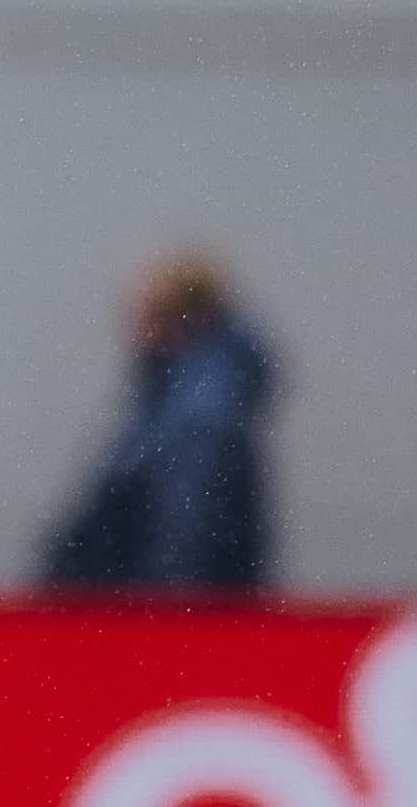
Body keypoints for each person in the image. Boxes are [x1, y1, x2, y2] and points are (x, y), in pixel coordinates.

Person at [37, 249, 279, 596]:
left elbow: (186, 532)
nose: (130, 328)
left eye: (142, 313)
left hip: (150, 620)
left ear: (174, 317)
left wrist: (163, 623)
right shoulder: (171, 402)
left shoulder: (197, 413)